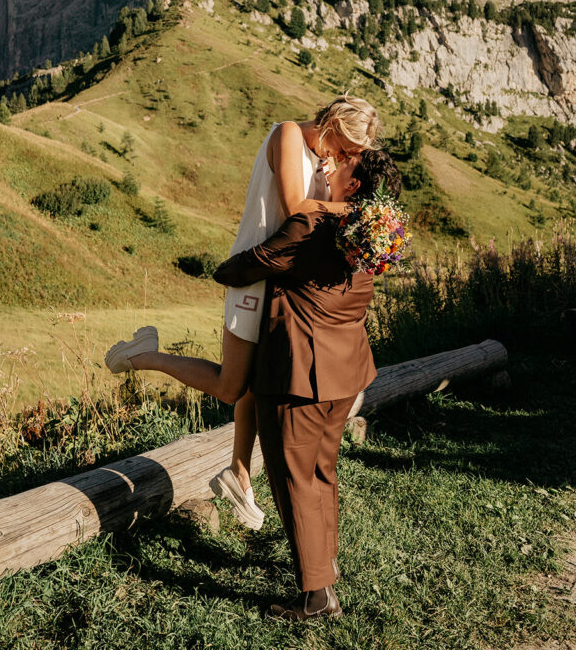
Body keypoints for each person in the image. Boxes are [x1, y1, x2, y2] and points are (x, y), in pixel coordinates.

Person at [104, 96, 382, 528]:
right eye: (345, 147)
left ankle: (238, 474)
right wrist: (348, 208)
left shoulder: (320, 159)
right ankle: (143, 355)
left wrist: (330, 188)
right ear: (330, 123)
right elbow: (294, 210)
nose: (344, 157)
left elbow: (309, 225)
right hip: (252, 277)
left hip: (282, 287)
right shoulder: (289, 134)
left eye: (352, 154)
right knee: (231, 387)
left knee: (259, 381)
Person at [212, 147, 402, 619]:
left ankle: (316, 597)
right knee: (322, 474)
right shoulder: (369, 237)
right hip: (347, 374)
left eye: (341, 166)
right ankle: (325, 567)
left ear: (354, 185)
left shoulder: (310, 229)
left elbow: (241, 267)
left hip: (297, 377)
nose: (329, 167)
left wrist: (228, 268)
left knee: (293, 481)